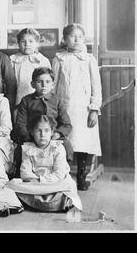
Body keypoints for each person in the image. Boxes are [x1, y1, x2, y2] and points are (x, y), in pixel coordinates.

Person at [52, 23, 102, 191]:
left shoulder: (89, 59)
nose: (77, 39)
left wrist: (94, 109)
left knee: (83, 142)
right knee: (66, 139)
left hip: (84, 109)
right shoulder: (59, 59)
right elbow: (53, 84)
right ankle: (64, 174)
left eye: (80, 36)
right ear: (65, 40)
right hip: (65, 106)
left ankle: (81, 174)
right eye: (72, 36)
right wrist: (53, 107)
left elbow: (96, 86)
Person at [7, 115, 82, 212]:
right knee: (11, 185)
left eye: (46, 131)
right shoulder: (28, 149)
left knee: (68, 185)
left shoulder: (57, 148)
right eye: (38, 131)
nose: (42, 134)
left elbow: (59, 174)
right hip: (34, 183)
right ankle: (48, 203)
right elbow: (25, 173)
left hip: (54, 182)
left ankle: (41, 202)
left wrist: (41, 180)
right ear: (32, 132)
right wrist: (34, 180)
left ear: (52, 132)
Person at [13, 67, 72, 176]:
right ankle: (23, 173)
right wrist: (31, 136)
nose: (44, 85)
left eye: (48, 82)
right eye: (40, 82)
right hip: (32, 136)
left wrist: (57, 134)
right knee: (20, 150)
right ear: (33, 84)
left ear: (53, 84)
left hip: (52, 137)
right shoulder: (26, 100)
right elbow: (20, 124)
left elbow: (66, 124)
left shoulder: (57, 100)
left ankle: (60, 172)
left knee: (66, 146)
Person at [9, 28, 51, 107]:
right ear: (18, 43)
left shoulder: (43, 60)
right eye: (23, 41)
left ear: (37, 44)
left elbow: (49, 81)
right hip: (18, 96)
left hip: (38, 98)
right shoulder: (13, 60)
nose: (27, 44)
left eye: (31, 41)